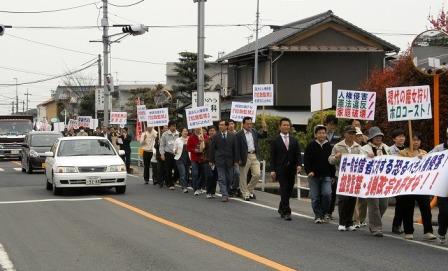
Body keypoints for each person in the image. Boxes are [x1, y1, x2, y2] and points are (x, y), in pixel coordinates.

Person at [399, 132, 436, 241]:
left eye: (418, 140)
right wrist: (413, 159)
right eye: (413, 140)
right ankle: (408, 231)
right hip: (408, 186)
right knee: (408, 209)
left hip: (421, 185)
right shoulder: (402, 153)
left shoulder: (424, 153)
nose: (416, 142)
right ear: (409, 141)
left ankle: (428, 231)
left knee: (426, 208)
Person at [329, 125, 363, 231]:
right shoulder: (338, 146)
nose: (351, 135)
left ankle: (349, 222)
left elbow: (363, 159)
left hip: (354, 176)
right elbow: (330, 160)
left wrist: (369, 156)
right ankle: (342, 222)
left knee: (352, 199)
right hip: (341, 175)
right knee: (343, 199)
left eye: (353, 133)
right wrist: (336, 157)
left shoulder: (358, 147)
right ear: (345, 134)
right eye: (349, 133)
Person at [270, 118, 302, 221]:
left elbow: (298, 154)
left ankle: (281, 207)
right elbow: (272, 156)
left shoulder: (294, 140)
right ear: (280, 127)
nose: (286, 127)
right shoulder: (275, 140)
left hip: (291, 168)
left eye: (288, 125)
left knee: (289, 189)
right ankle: (286, 212)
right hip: (280, 168)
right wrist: (273, 170)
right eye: (284, 125)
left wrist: (299, 165)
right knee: (284, 188)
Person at [362, 126, 391, 237]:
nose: (378, 138)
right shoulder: (365, 149)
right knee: (374, 204)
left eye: (380, 136)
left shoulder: (386, 148)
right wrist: (366, 157)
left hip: (384, 180)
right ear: (371, 138)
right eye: (376, 136)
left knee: (384, 204)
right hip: (370, 180)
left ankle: (374, 222)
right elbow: (359, 161)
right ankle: (376, 227)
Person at [304, 125, 334, 224]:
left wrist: (332, 175)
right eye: (319, 133)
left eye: (323, 133)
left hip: (326, 175)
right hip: (314, 175)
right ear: (315, 134)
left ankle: (324, 212)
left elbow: (332, 162)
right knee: (315, 197)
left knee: (327, 194)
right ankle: (318, 215)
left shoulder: (329, 146)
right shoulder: (311, 145)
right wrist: (309, 171)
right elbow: (306, 160)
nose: (322, 135)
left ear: (326, 134)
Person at [235, 117, 267, 201]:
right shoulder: (239, 134)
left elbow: (263, 136)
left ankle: (248, 190)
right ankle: (244, 193)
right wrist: (238, 159)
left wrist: (264, 128)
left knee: (257, 174)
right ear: (243, 124)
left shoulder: (254, 131)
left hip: (254, 155)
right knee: (243, 176)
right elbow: (236, 148)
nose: (250, 125)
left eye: (251, 123)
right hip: (244, 156)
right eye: (248, 124)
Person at [210, 120, 237, 202]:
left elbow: (235, 149)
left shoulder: (232, 136)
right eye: (219, 125)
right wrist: (211, 160)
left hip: (230, 161)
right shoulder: (216, 136)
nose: (220, 126)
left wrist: (236, 160)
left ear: (226, 126)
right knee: (221, 178)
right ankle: (224, 195)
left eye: (222, 125)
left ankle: (226, 191)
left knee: (230, 178)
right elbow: (212, 149)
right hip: (219, 161)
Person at [430, 128, 448, 244]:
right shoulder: (439, 148)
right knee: (445, 212)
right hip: (443, 186)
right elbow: (429, 159)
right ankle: (442, 231)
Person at [389, 129, 407, 234]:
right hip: (395, 180)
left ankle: (400, 225)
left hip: (406, 180)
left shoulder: (409, 149)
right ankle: (396, 225)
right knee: (400, 202)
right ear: (394, 139)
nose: (401, 138)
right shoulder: (389, 150)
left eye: (403, 136)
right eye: (399, 136)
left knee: (405, 203)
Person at [325, 115, 340, 220]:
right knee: (325, 191)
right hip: (323, 165)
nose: (332, 127)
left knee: (333, 190)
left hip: (333, 165)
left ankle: (329, 211)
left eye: (334, 125)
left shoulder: (337, 137)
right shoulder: (320, 134)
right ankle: (323, 210)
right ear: (326, 123)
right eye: (330, 124)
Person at [187, 128, 207, 196]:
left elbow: (207, 144)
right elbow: (188, 148)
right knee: (195, 173)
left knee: (203, 174)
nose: (198, 129)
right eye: (197, 128)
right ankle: (195, 189)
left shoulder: (204, 136)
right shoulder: (191, 137)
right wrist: (195, 150)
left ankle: (200, 186)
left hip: (203, 158)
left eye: (199, 128)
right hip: (194, 158)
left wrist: (203, 142)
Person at [174, 128, 190, 193]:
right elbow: (174, 148)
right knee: (182, 173)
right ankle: (184, 187)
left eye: (186, 131)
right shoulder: (178, 140)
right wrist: (175, 150)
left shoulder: (190, 139)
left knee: (186, 173)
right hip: (179, 158)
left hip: (188, 158)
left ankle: (184, 184)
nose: (185, 132)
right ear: (181, 132)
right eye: (184, 131)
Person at [203, 126, 218, 198]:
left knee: (214, 177)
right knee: (209, 176)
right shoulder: (206, 140)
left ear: (216, 131)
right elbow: (201, 149)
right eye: (210, 131)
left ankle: (213, 192)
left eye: (213, 130)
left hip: (216, 162)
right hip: (207, 161)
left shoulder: (219, 140)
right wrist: (201, 142)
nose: (211, 132)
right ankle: (208, 192)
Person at [228, 119, 240, 197]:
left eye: (232, 123)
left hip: (236, 158)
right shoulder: (225, 134)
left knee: (237, 173)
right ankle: (228, 189)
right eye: (229, 124)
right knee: (229, 175)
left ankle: (234, 188)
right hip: (228, 158)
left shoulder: (238, 134)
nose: (231, 125)